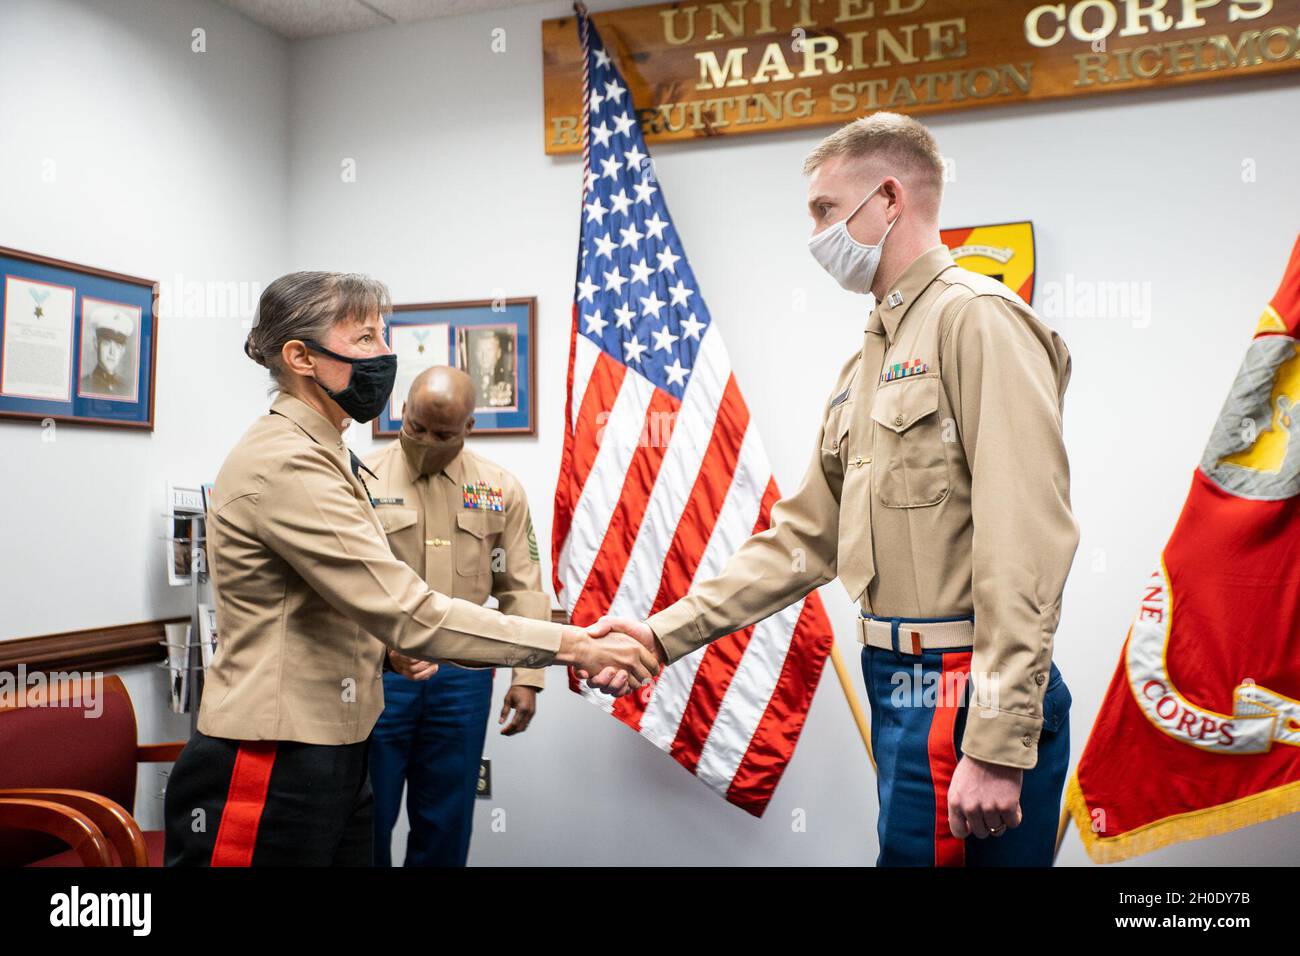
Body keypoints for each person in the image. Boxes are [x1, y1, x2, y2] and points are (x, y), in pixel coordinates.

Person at [591, 113, 1079, 867]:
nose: (816, 232)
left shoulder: (977, 321)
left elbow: (1027, 541)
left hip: (961, 687)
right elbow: (802, 540)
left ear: (889, 199)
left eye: (824, 209)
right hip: (898, 682)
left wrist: (999, 735)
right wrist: (661, 635)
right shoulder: (866, 362)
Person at [163, 271, 656, 866]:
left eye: (383, 335)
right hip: (273, 751)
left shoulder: (328, 453)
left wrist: (389, 652)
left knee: (443, 820)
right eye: (365, 338)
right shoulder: (289, 463)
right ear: (300, 356)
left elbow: (344, 606)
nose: (385, 354)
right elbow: (407, 610)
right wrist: (575, 646)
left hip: (339, 738)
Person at [365, 365, 546, 866]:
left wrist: (528, 674)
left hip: (464, 678)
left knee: (447, 816)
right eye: (415, 428)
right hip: (380, 676)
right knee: (367, 816)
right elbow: (340, 587)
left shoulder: (499, 488)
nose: (425, 441)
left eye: (443, 434)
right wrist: (384, 651)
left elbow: (522, 586)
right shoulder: (361, 480)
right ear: (401, 413)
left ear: (469, 428)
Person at [79, 305, 134, 398]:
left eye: (118, 346)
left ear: (123, 350)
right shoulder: (83, 386)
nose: (112, 352)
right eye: (107, 343)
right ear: (96, 344)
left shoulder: (127, 389)